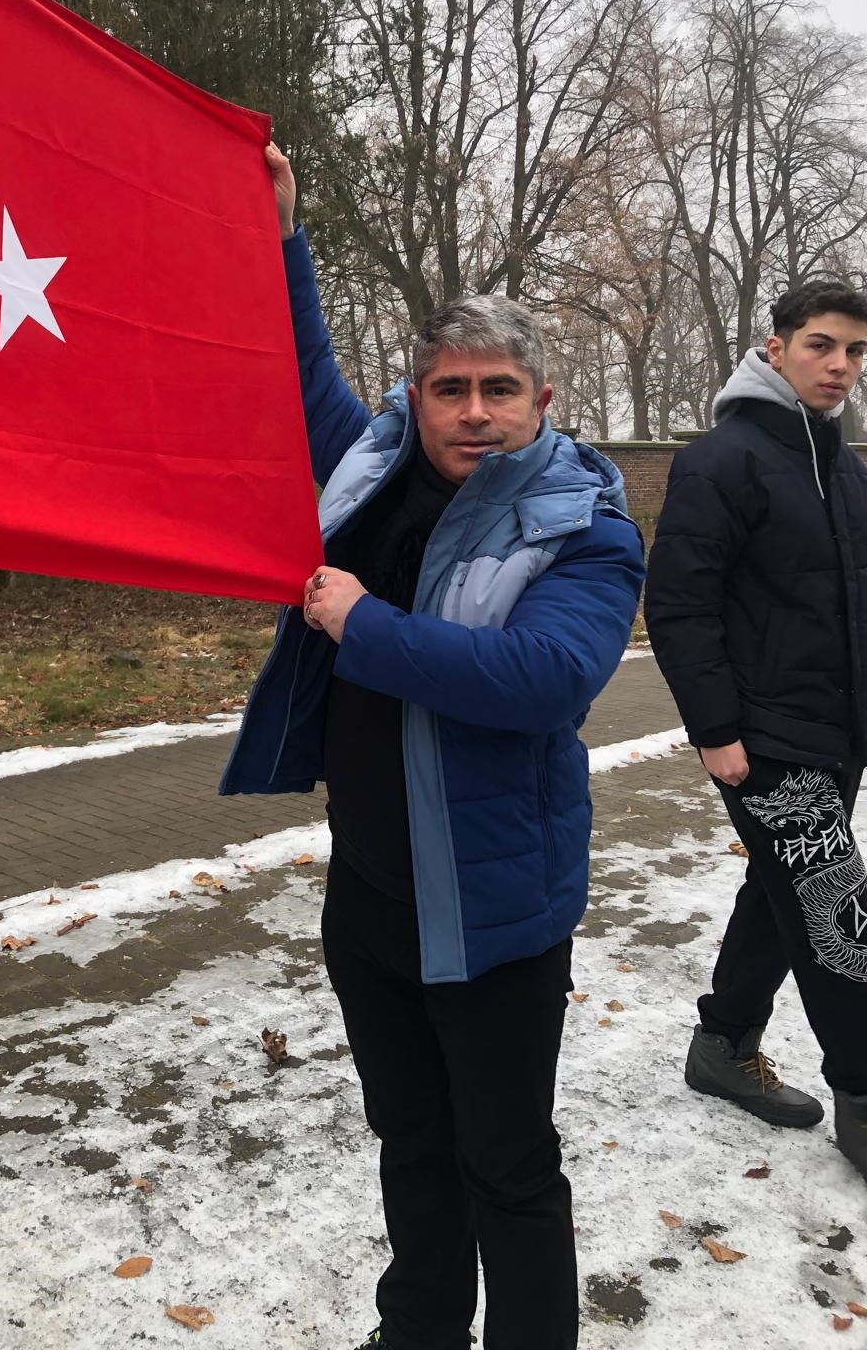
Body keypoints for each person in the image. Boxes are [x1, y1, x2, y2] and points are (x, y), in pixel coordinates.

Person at [221, 145, 645, 1350]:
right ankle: (416, 1327)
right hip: (372, 894)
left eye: (498, 388)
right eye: (449, 387)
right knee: (408, 1141)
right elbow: (305, 378)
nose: (472, 411)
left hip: (498, 913)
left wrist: (365, 623)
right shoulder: (375, 464)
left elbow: (542, 681)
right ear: (417, 397)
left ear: (541, 401)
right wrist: (284, 235)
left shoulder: (590, 528)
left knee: (506, 1163)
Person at [644, 282, 867, 1181]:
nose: (841, 366)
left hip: (833, 732)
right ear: (774, 349)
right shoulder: (721, 460)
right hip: (765, 740)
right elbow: (681, 605)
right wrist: (716, 730)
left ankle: (722, 1042)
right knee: (839, 918)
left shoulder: (844, 465)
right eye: (822, 345)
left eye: (854, 352)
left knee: (783, 896)